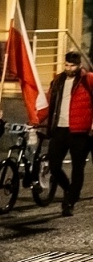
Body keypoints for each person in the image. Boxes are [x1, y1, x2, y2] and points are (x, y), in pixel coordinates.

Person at [45, 51, 93, 216]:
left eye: (72, 65)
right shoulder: (58, 80)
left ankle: (70, 201)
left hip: (80, 131)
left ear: (79, 65)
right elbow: (49, 102)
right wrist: (39, 121)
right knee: (54, 164)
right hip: (60, 128)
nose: (69, 68)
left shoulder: (88, 80)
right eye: (66, 65)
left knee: (78, 168)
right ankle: (68, 189)